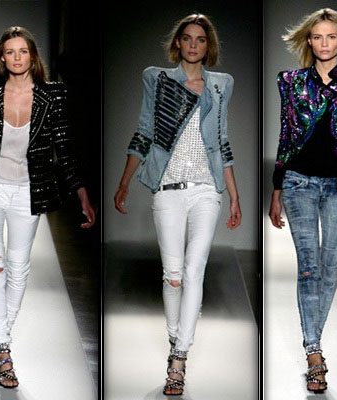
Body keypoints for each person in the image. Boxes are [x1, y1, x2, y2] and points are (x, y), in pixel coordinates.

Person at [0, 26, 96, 389]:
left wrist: (81, 193)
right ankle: (3, 350)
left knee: (18, 270)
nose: (16, 58)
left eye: (23, 51)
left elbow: (63, 148)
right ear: (1, 58)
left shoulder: (54, 95)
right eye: (10, 52)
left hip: (27, 193)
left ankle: (0, 339)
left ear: (32, 56)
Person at [114, 13, 241, 396]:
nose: (193, 45)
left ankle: (179, 358)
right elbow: (144, 131)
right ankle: (175, 338)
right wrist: (124, 182)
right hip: (168, 186)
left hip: (206, 189)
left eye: (200, 39)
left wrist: (234, 195)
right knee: (173, 275)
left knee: (194, 269)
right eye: (187, 38)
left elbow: (222, 140)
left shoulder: (221, 85)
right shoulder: (157, 79)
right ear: (178, 43)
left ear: (208, 45)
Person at [268, 8, 337, 393]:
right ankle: (313, 351)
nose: (324, 43)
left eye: (331, 36)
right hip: (299, 182)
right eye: (317, 37)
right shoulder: (292, 82)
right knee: (309, 267)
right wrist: (277, 189)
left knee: (330, 269)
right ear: (309, 41)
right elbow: (286, 135)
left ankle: (312, 340)